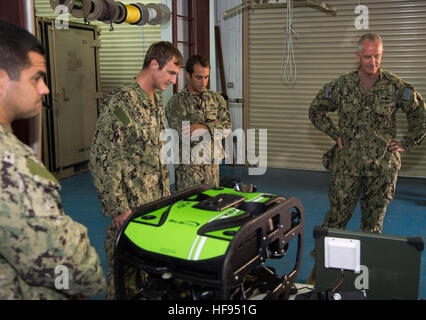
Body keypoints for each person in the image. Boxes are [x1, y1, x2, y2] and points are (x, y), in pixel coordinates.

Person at [306, 33, 425, 284]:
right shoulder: (341, 86)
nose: (373, 62)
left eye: (378, 56)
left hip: (381, 169)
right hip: (347, 166)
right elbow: (315, 110)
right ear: (358, 56)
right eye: (368, 56)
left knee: (372, 227)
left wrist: (407, 142)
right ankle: (322, 271)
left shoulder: (395, 86)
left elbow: (420, 113)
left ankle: (363, 277)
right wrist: (335, 133)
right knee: (336, 220)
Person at [0, 19, 106, 299]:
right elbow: (55, 255)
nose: (45, 89)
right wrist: (92, 281)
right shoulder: (9, 164)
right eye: (37, 77)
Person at [89, 41, 184, 299]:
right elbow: (104, 158)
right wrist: (118, 208)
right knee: (125, 285)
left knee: (149, 281)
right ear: (154, 64)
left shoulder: (154, 98)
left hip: (153, 207)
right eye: (171, 73)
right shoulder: (123, 102)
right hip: (131, 209)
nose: (174, 81)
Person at [165, 54, 232, 192]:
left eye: (206, 77)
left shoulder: (216, 99)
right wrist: (214, 125)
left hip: (212, 164)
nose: (203, 82)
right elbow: (184, 133)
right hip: (189, 168)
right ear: (188, 75)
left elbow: (226, 127)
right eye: (199, 77)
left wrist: (204, 127)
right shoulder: (177, 102)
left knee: (212, 204)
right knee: (191, 205)